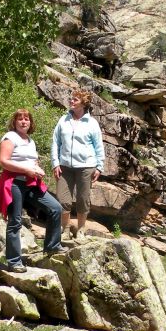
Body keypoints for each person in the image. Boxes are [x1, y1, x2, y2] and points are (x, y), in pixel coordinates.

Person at [0, 108, 64, 271]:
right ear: (14, 122)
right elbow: (4, 161)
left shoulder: (30, 141)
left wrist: (37, 168)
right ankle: (14, 262)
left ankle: (52, 246)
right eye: (20, 119)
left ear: (31, 123)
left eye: (27, 119)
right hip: (14, 182)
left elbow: (31, 161)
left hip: (31, 183)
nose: (24, 121)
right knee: (15, 221)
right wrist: (26, 170)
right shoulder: (10, 137)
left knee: (55, 208)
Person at [51, 89, 104, 241]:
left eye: (75, 99)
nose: (71, 101)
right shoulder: (63, 120)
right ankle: (66, 229)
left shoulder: (92, 123)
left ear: (84, 103)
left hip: (86, 167)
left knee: (82, 199)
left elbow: (98, 146)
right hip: (64, 166)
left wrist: (99, 167)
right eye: (71, 99)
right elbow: (55, 142)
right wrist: (55, 163)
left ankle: (81, 229)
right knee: (63, 200)